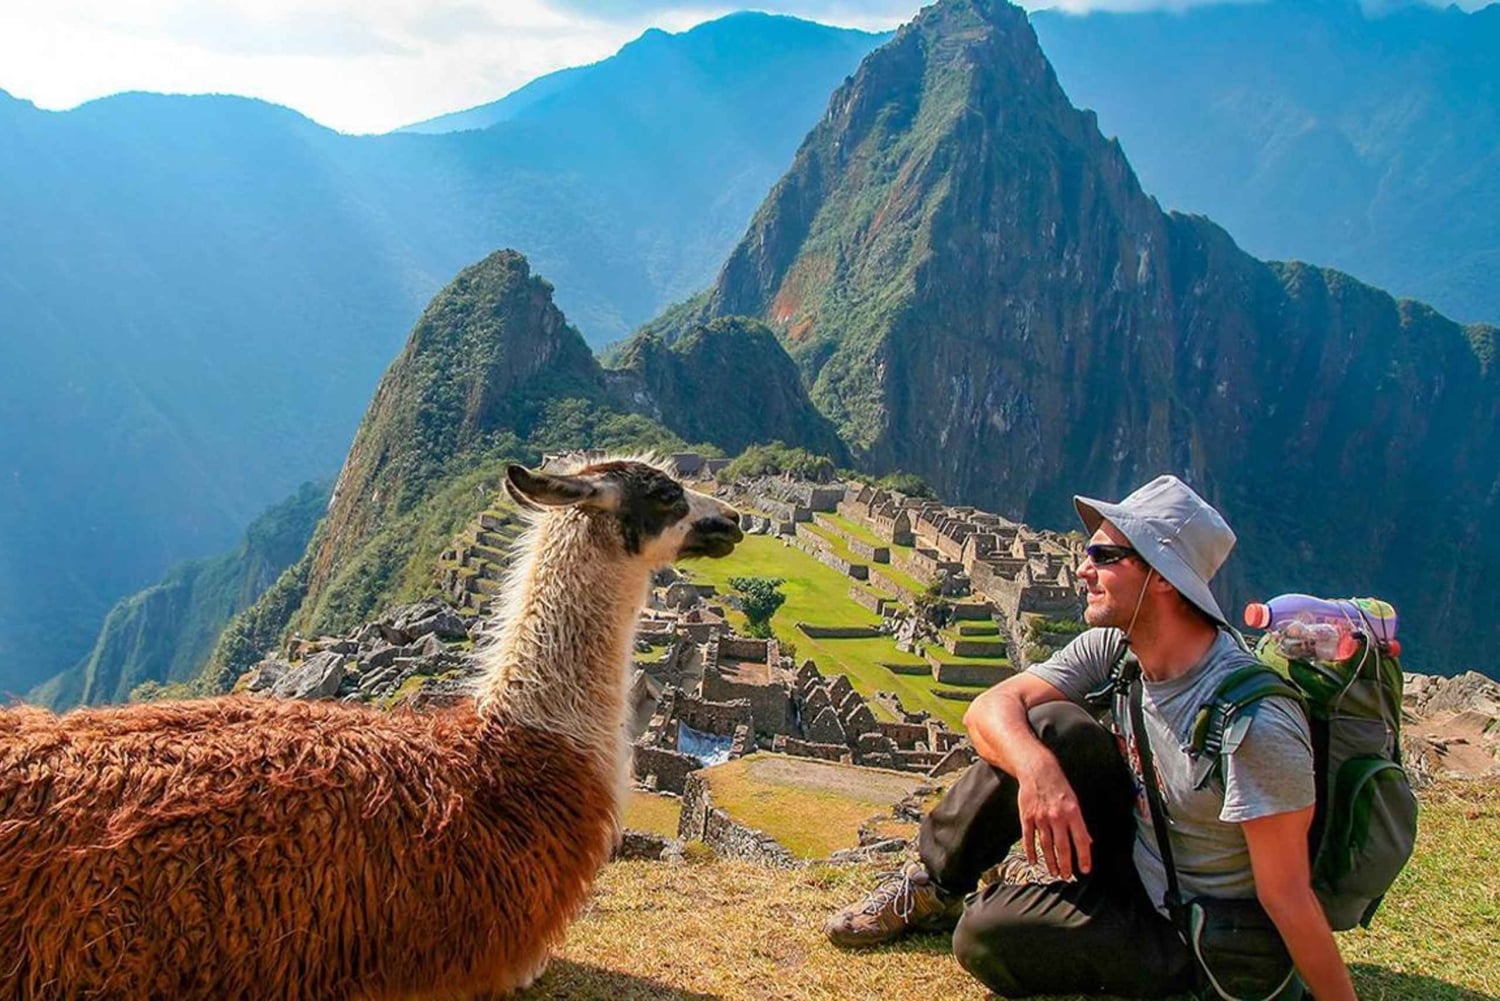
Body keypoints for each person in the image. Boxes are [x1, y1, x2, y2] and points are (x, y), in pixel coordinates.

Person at [824, 475, 1358, 1000]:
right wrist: (1039, 773)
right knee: (1051, 728)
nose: (1082, 570)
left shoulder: (1253, 722)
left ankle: (1031, 897)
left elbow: (1287, 896)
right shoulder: (1115, 649)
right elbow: (989, 708)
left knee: (985, 933)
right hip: (1133, 861)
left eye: (1104, 557)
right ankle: (930, 888)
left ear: (1165, 576)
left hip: (1192, 932)